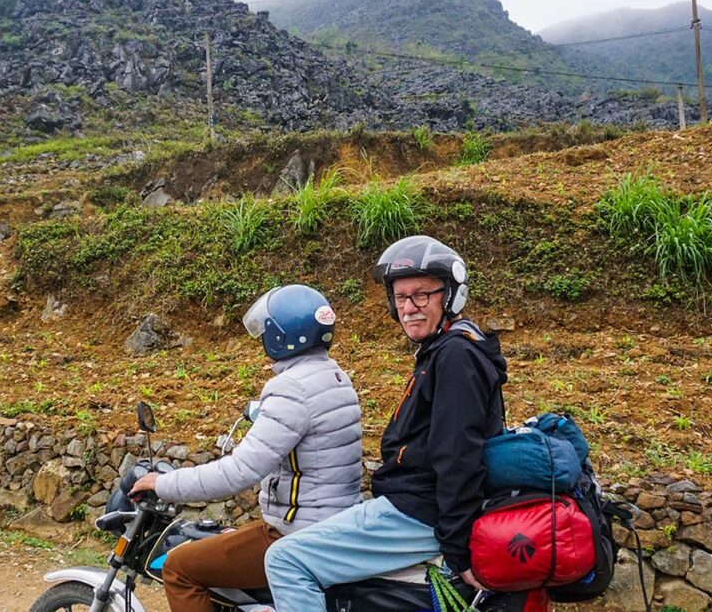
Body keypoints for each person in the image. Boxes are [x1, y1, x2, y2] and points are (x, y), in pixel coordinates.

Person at [264, 235, 509, 611]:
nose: (409, 307)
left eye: (422, 295)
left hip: (418, 513)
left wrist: (459, 550)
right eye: (401, 297)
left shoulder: (456, 356)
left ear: (450, 295)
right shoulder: (443, 349)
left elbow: (458, 457)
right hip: (411, 504)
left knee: (284, 560)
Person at [130, 284, 362, 612]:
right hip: (334, 524)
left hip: (295, 534)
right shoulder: (335, 377)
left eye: (266, 332)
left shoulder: (291, 389)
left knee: (179, 567)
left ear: (283, 336)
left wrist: (164, 484)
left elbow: (238, 472)